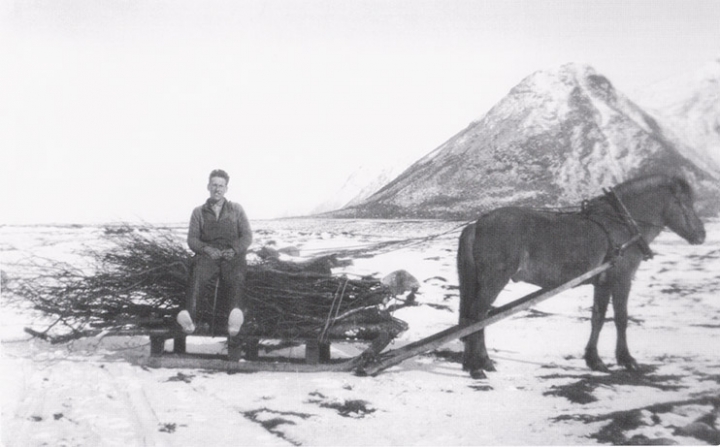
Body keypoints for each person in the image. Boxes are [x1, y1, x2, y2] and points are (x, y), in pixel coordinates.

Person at [176, 169, 253, 336]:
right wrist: (206, 249)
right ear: (208, 187)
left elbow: (247, 236)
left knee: (237, 276)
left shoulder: (236, 209)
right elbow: (193, 239)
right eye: (214, 185)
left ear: (226, 189)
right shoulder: (198, 212)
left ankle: (235, 320)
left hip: (232, 255)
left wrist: (234, 250)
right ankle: (190, 319)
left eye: (221, 186)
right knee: (198, 274)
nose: (217, 189)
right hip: (208, 255)